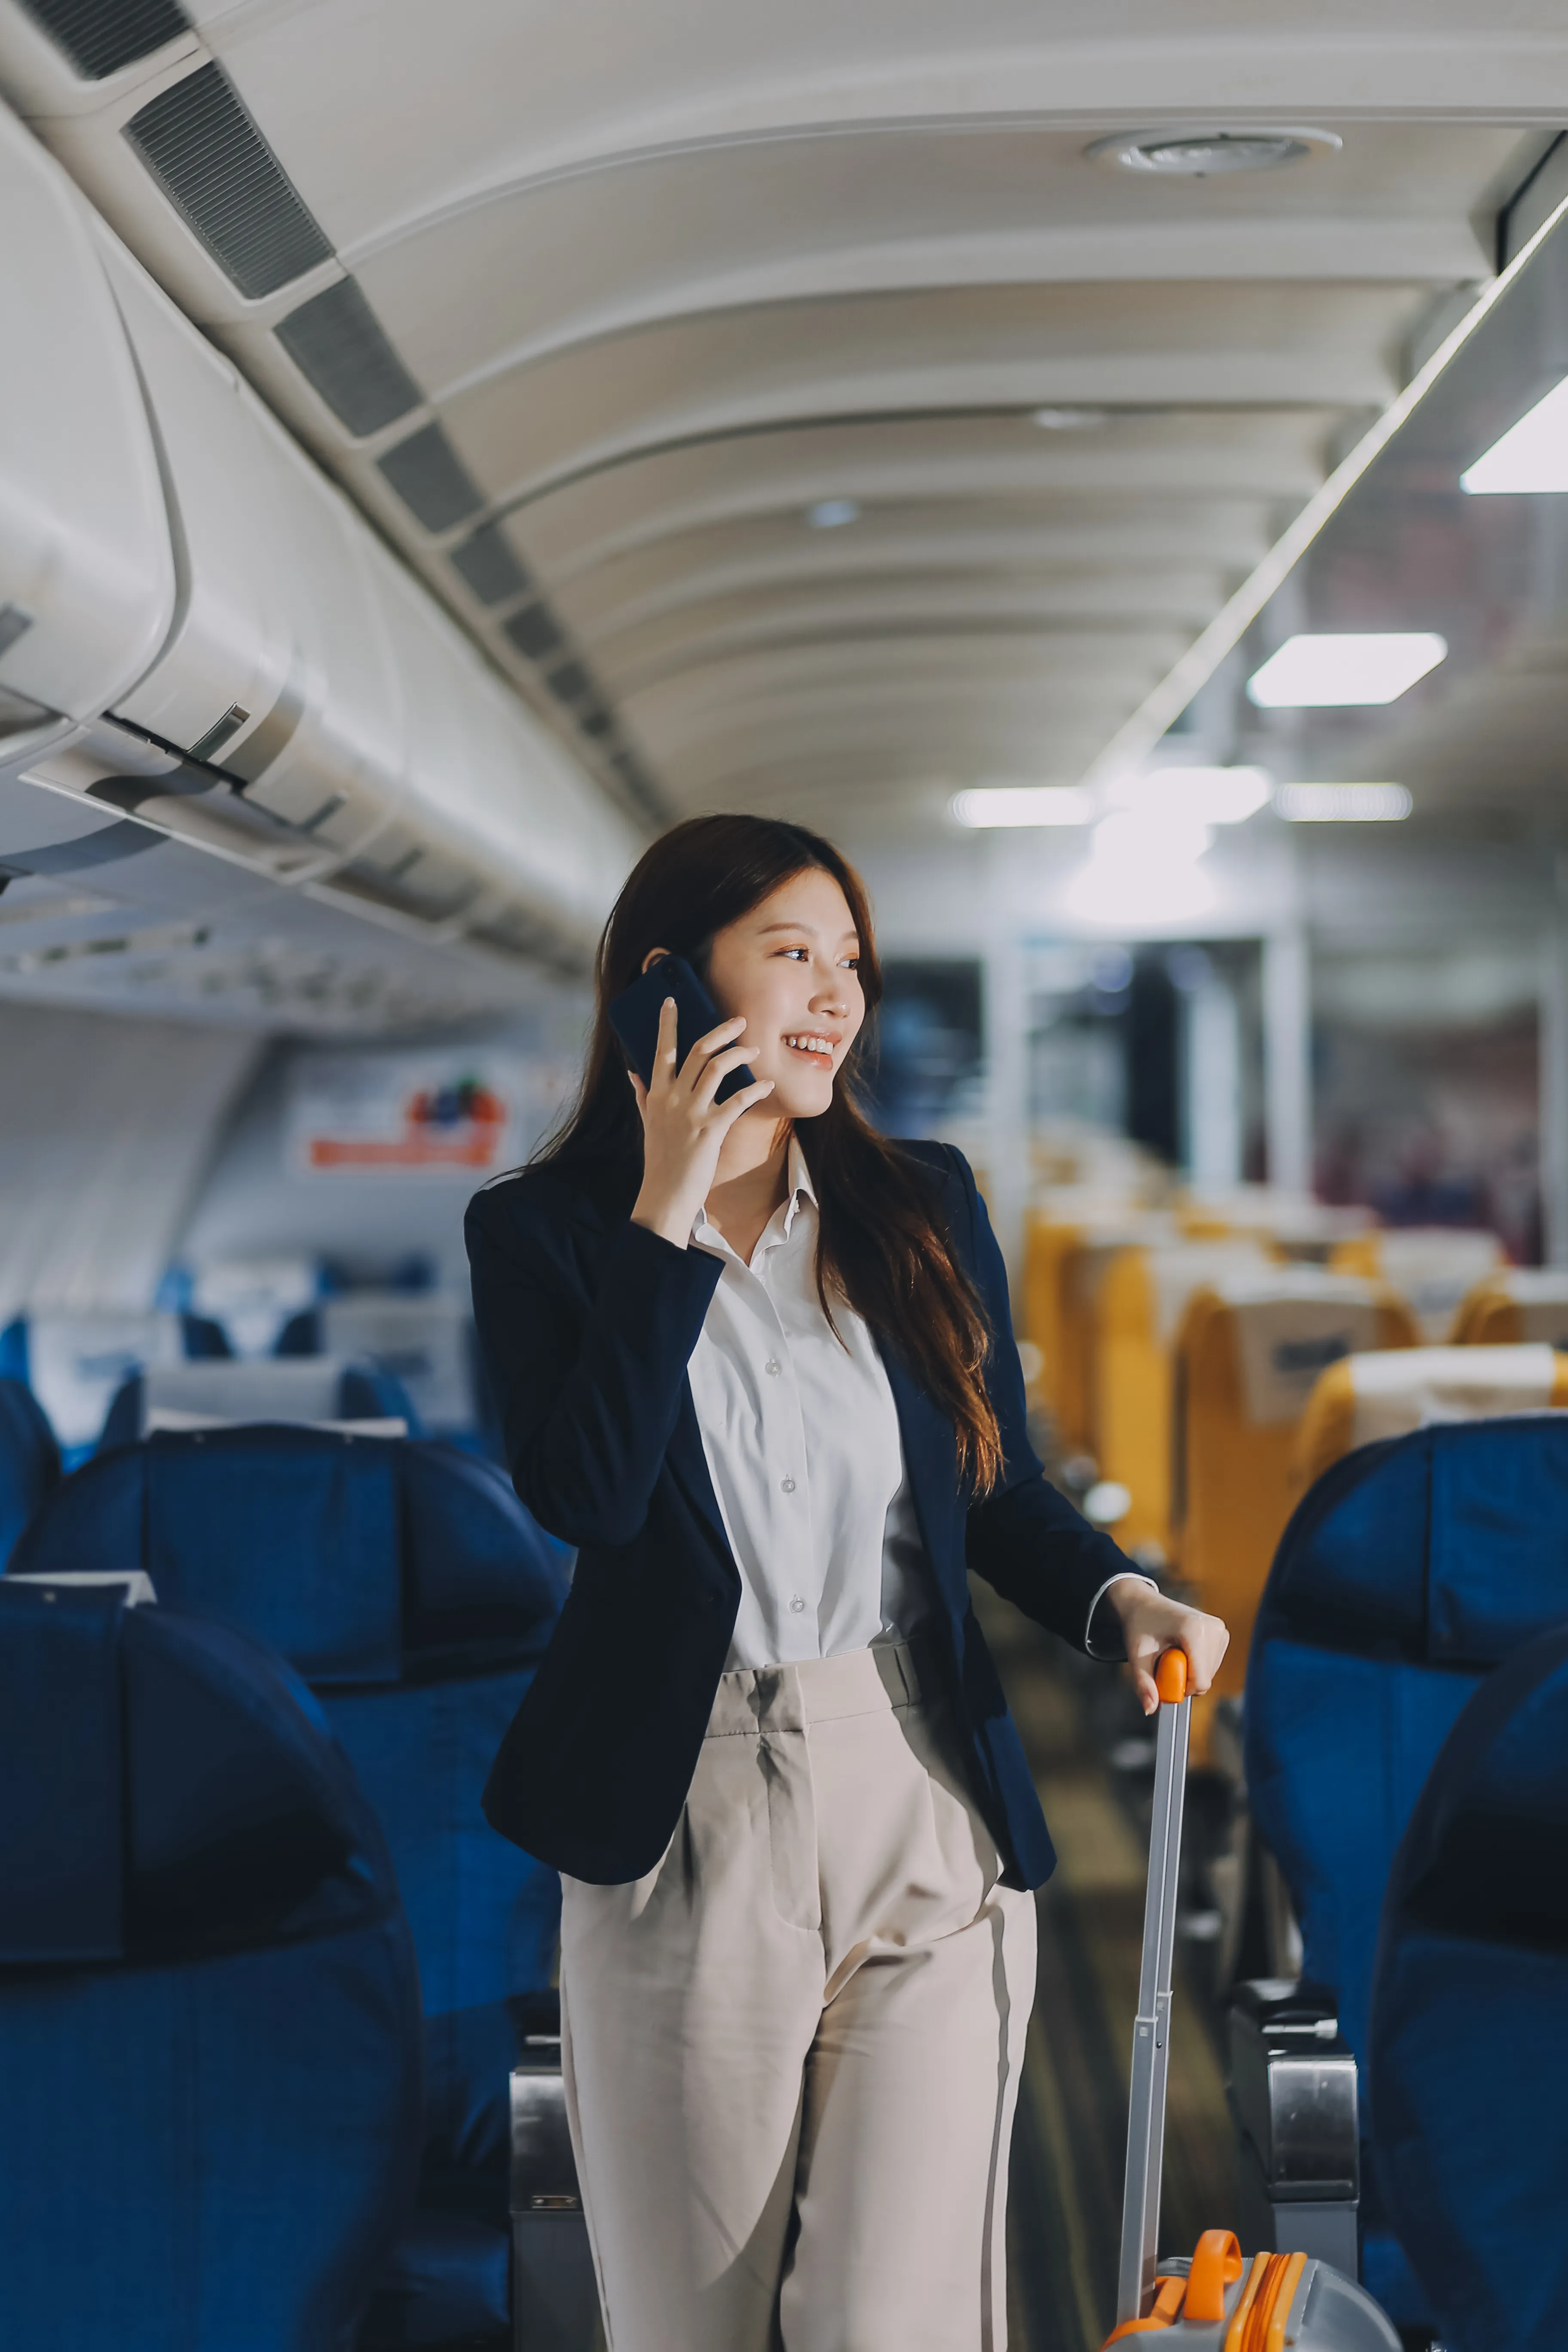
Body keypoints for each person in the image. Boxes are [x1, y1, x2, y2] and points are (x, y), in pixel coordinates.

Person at [467, 814, 1228, 2352]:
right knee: (697, 2327)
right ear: (666, 987)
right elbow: (590, 1500)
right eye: (793, 955)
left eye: (853, 963)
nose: (837, 998)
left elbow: (993, 1482)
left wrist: (1117, 1598)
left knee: (900, 2323)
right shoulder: (544, 1236)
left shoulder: (921, 1202)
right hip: (683, 1810)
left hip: (917, 1780)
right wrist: (668, 1209)